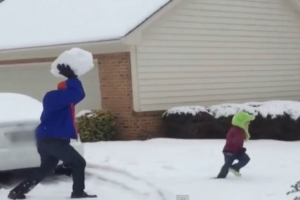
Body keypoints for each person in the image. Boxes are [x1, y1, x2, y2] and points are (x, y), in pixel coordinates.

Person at [8, 64, 97, 199]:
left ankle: (17, 192)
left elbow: (80, 94)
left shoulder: (64, 102)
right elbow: (76, 93)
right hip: (52, 140)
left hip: (48, 139)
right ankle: (78, 193)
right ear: (65, 90)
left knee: (46, 168)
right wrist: (72, 78)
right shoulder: (53, 97)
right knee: (78, 162)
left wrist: (74, 79)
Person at [216, 111, 255, 178]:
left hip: (236, 150)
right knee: (228, 164)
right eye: (246, 122)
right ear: (241, 122)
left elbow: (238, 141)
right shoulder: (236, 130)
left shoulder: (239, 130)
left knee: (245, 159)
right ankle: (221, 176)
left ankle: (234, 168)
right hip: (229, 151)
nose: (248, 124)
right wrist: (240, 149)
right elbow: (235, 141)